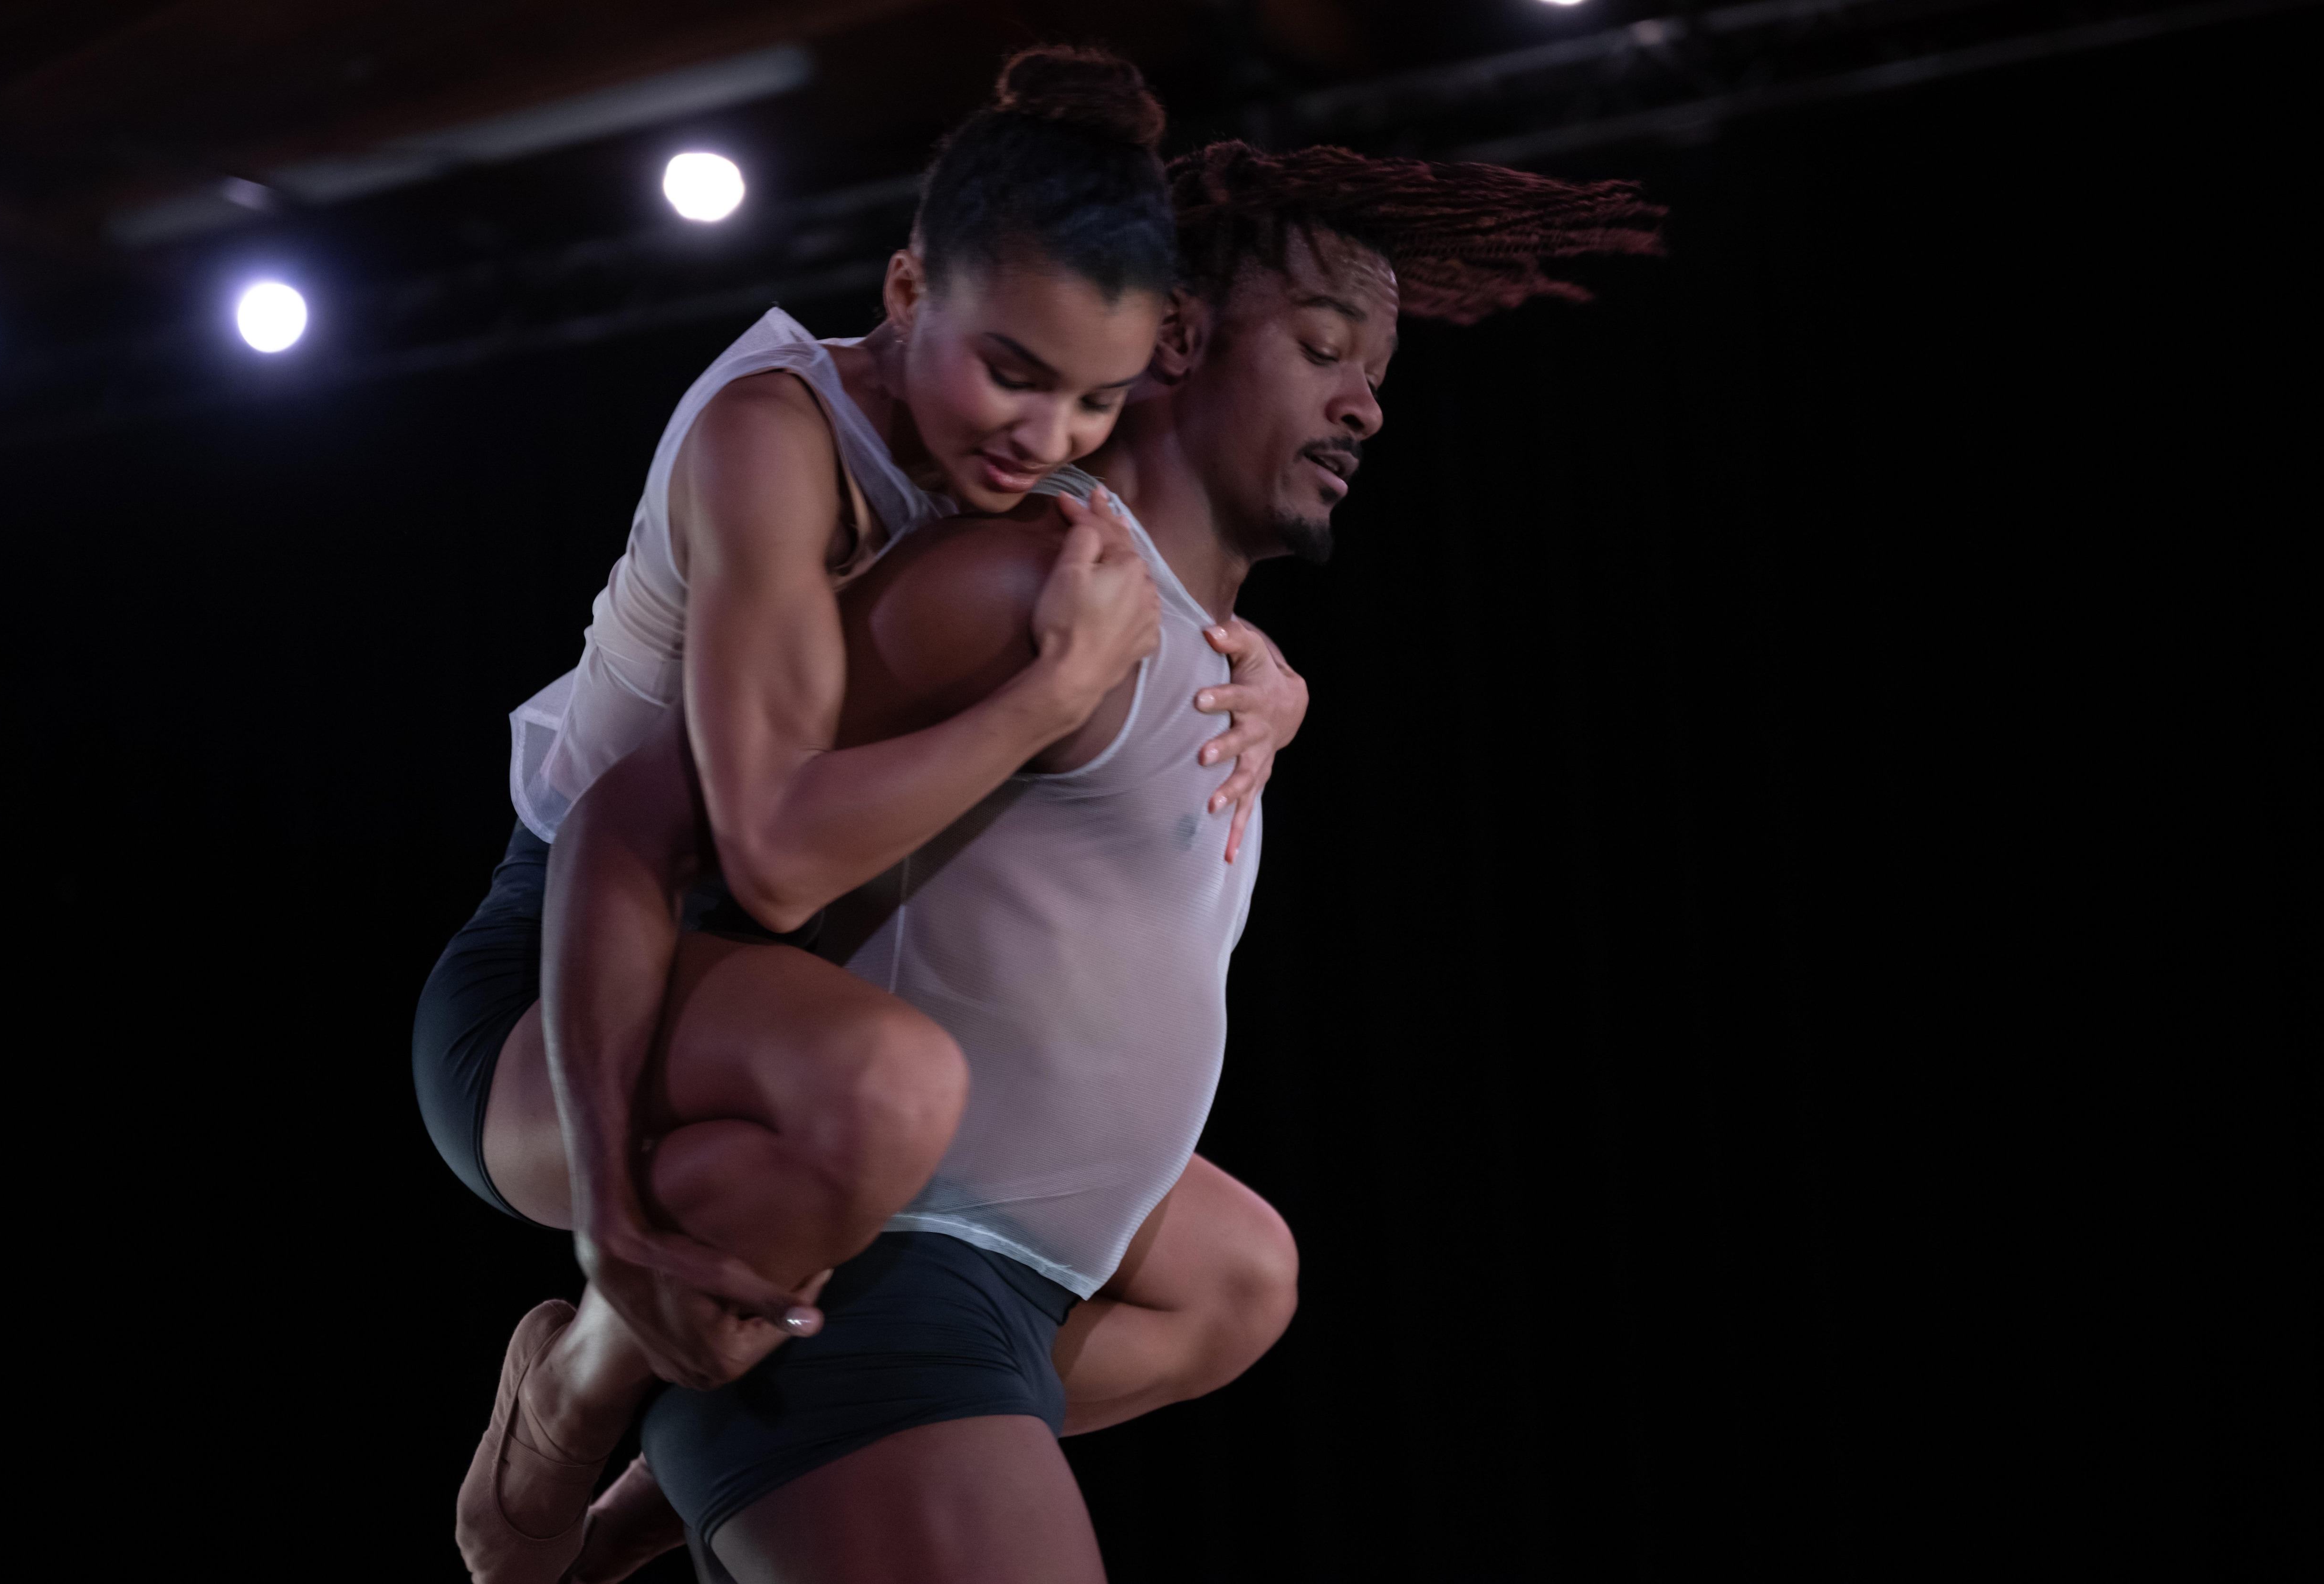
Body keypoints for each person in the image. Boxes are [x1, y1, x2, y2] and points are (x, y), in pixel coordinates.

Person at [542, 142, 1666, 1582]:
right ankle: (628, 1383)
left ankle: (652, 1485)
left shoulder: (1209, 655)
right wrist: (612, 1219)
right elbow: (644, 818)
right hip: (893, 1292)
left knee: (1248, 1280)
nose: (1367, 401)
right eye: (1324, 349)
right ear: (1181, 340)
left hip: (1022, 1307)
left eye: (1373, 367)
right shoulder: (1024, 589)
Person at [417, 49, 1315, 1584]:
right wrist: (1037, 703)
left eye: (1096, 401)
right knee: (894, 1092)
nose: (1043, 437)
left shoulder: (1032, 487)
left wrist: (1274, 686)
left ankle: (638, 1516)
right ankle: (565, 1400)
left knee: (1236, 1278)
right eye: (1012, 373)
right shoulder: (770, 437)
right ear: (908, 289)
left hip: (752, 1006)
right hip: (572, 971)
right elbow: (744, 854)